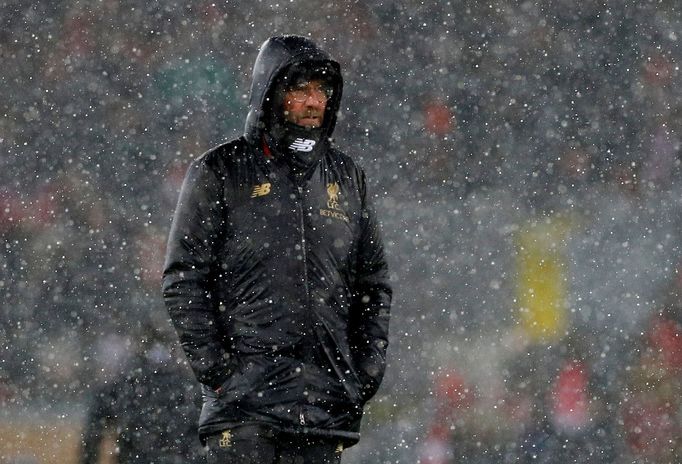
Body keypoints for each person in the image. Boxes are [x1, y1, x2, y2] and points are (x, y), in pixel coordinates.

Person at [162, 35, 392, 463]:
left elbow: (373, 286)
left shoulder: (348, 179)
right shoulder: (220, 171)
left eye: (321, 90)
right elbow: (183, 283)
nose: (313, 101)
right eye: (300, 89)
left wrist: (363, 375)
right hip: (244, 415)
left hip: (324, 412)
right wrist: (221, 376)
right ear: (270, 93)